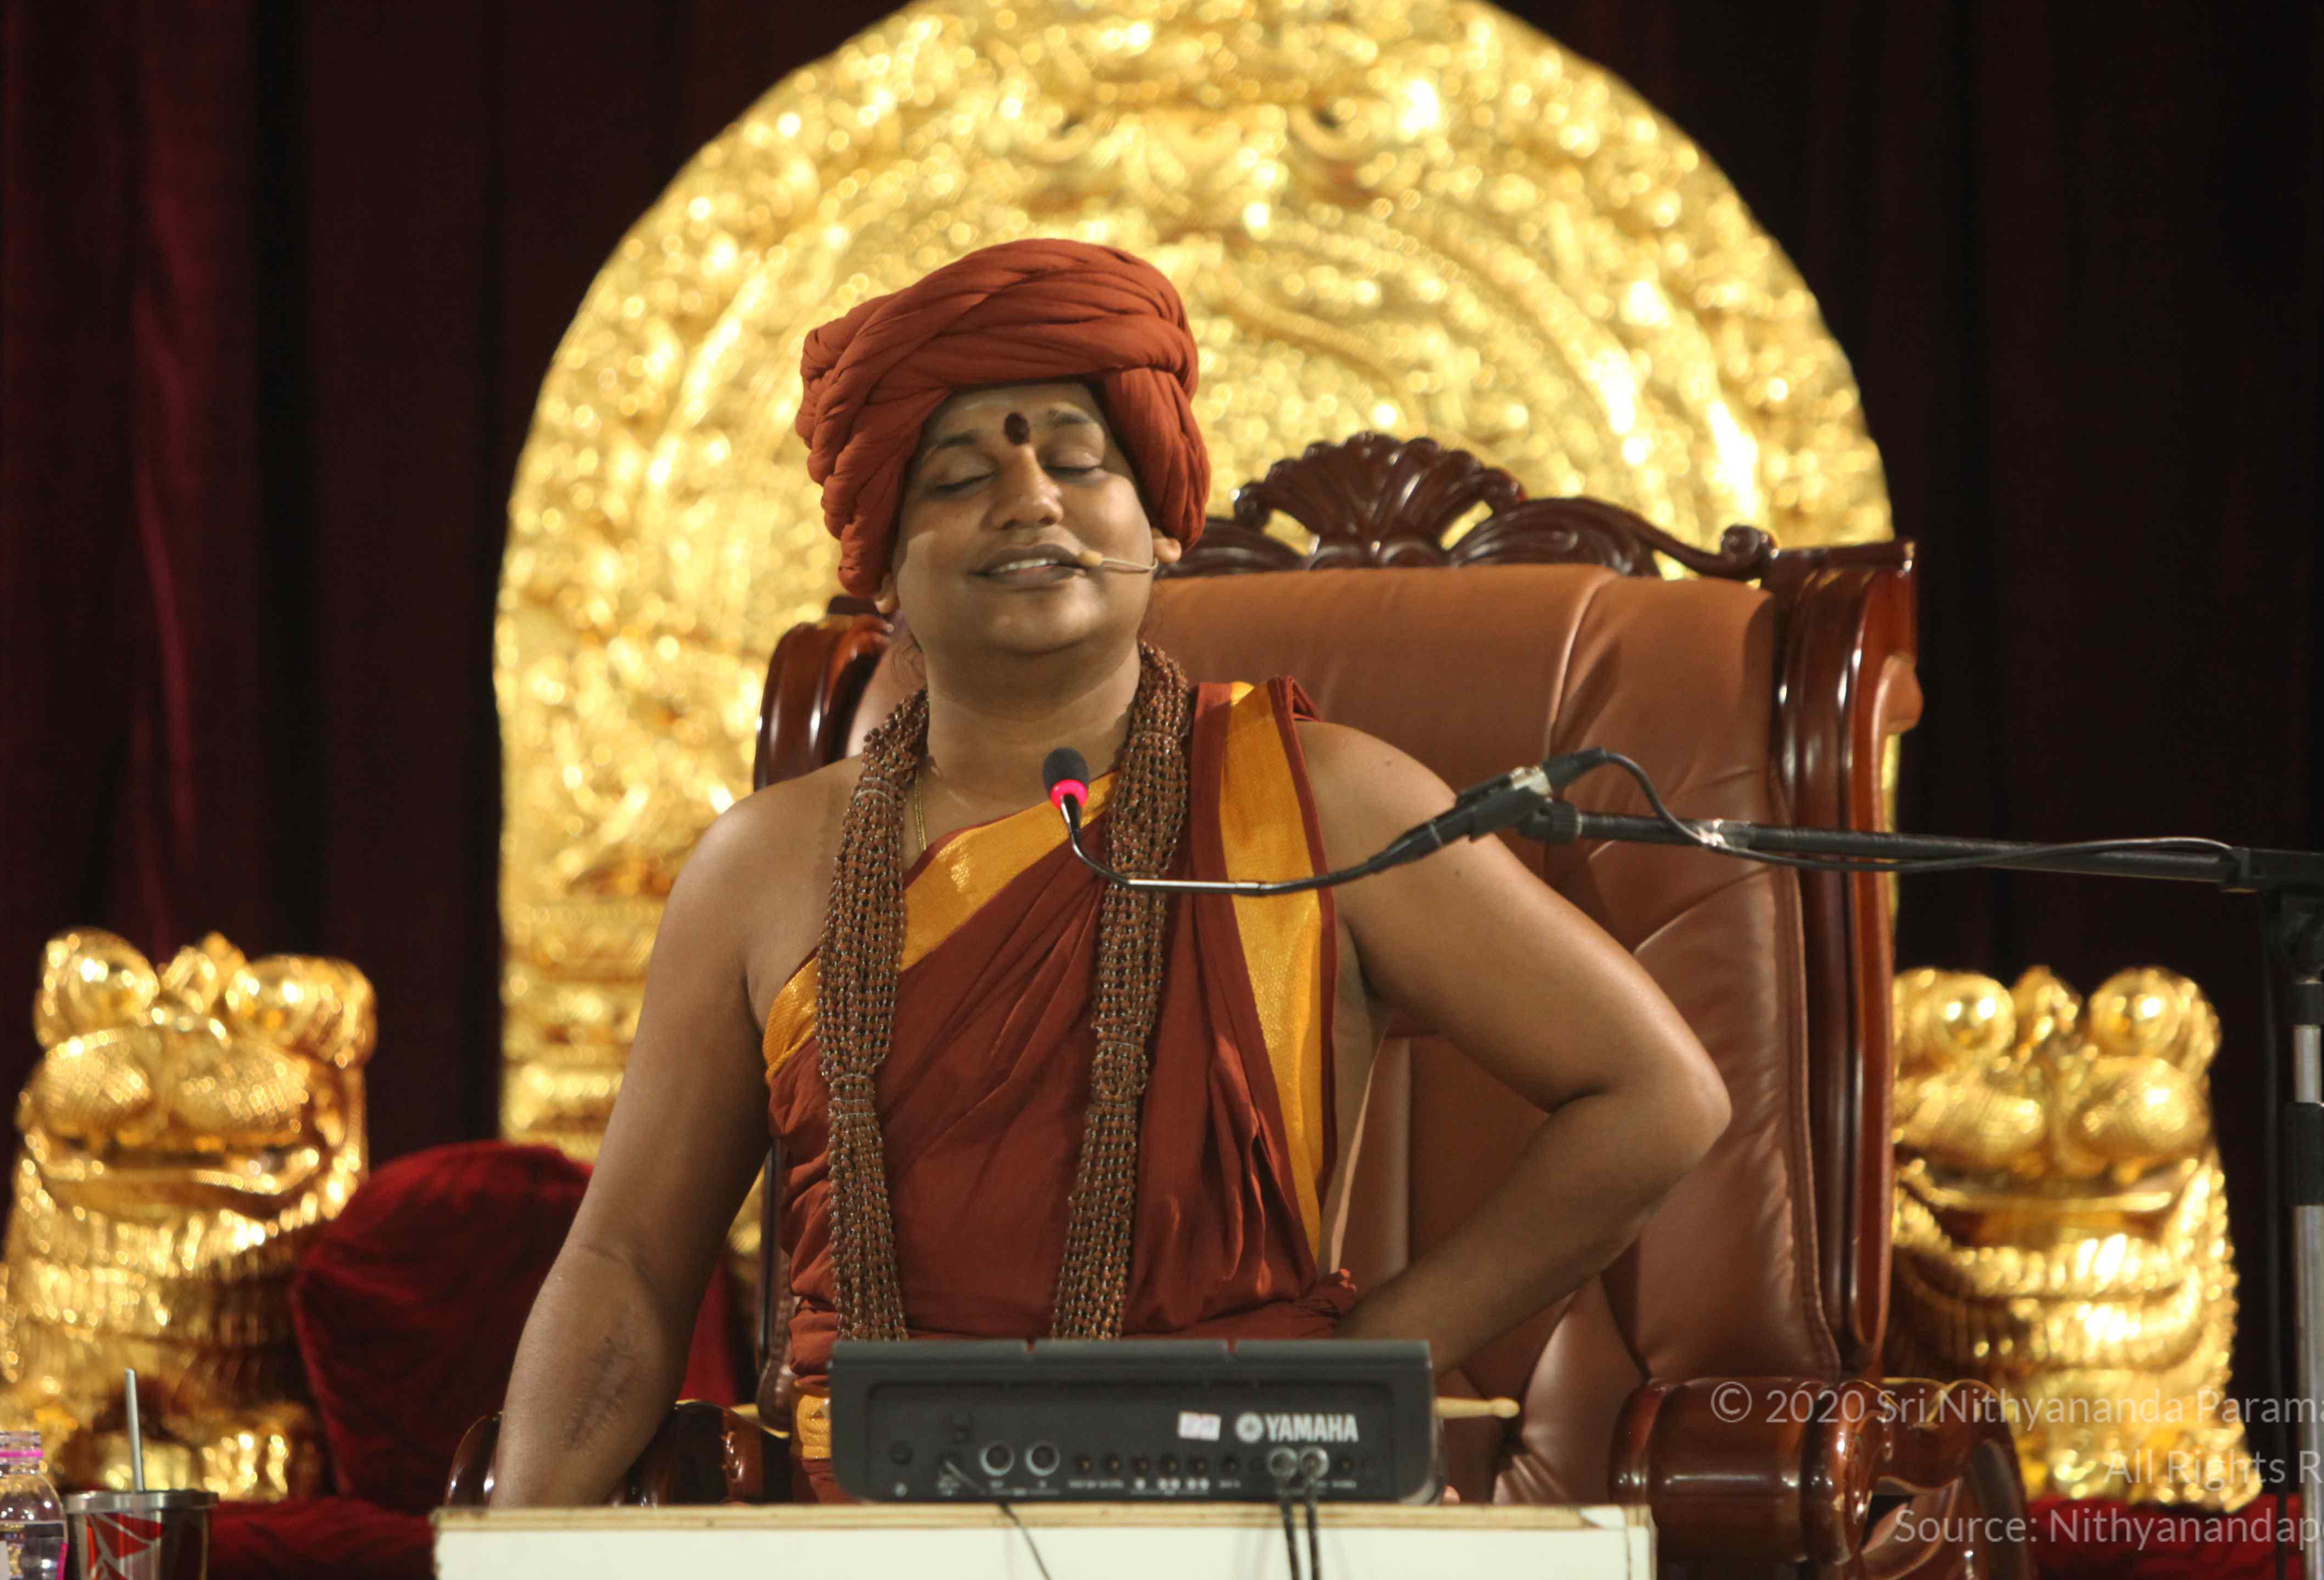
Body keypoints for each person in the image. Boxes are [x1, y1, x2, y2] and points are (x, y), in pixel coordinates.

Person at [491, 238, 1728, 1505]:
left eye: (1080, 464)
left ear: (1162, 528)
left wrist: (1362, 1365)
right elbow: (629, 1267)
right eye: (958, 477)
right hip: (860, 1536)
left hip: (1244, 1516)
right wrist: (513, 1571)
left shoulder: (1325, 802)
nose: (1030, 500)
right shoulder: (762, 865)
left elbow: (1657, 1097)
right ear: (885, 571)